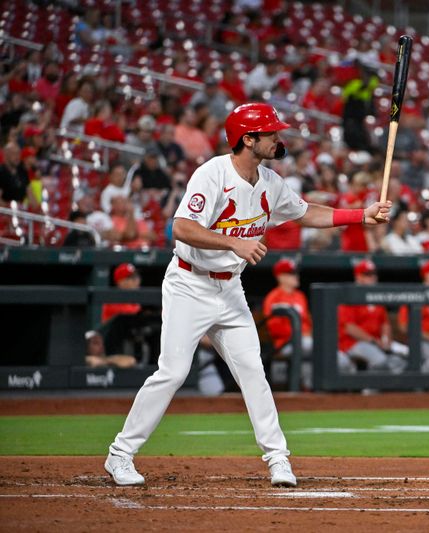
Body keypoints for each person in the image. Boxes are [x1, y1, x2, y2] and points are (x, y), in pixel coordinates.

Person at [105, 103, 392, 488]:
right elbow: (181, 227)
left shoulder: (270, 181)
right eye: (271, 133)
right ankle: (120, 455)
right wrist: (233, 244)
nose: (278, 138)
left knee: (253, 371)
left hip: (230, 288)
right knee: (172, 371)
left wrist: (361, 215)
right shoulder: (212, 174)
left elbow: (306, 212)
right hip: (191, 284)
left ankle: (278, 459)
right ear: (248, 139)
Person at [338, 259, 407, 373]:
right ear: (358, 277)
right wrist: (374, 341)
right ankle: (369, 389)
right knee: (379, 360)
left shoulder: (376, 297)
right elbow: (350, 328)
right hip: (352, 343)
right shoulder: (349, 296)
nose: (372, 278)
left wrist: (386, 340)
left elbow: (385, 324)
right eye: (367, 275)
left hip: (375, 343)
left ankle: (385, 388)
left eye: (373, 274)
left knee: (400, 362)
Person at [262, 258, 313, 389]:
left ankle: (312, 391)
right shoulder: (273, 298)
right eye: (291, 273)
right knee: (314, 346)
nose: (296, 276)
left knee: (316, 347)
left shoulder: (300, 296)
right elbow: (274, 328)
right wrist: (300, 334)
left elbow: (308, 322)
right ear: (280, 277)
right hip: (284, 344)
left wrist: (307, 333)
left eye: (296, 272)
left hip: (303, 342)